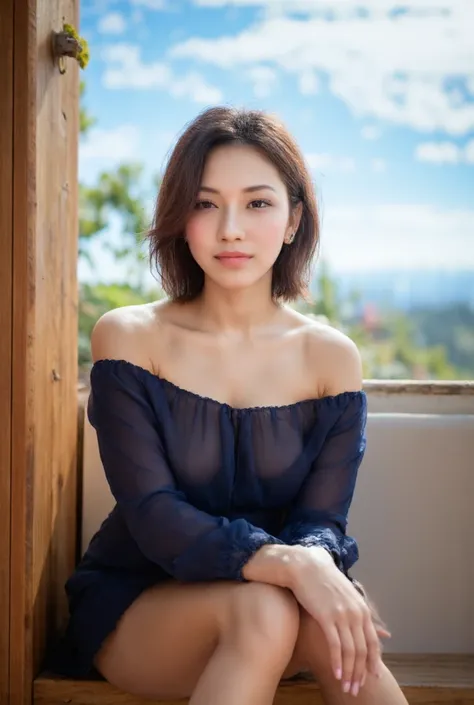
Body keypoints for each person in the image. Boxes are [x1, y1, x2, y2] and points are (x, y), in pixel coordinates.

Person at [50, 106, 409, 705]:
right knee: (267, 610)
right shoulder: (129, 338)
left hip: (279, 604)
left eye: (258, 203)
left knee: (324, 620)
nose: (231, 229)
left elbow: (321, 523)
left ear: (294, 220)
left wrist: (313, 562)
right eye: (206, 203)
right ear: (179, 217)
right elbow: (154, 516)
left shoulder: (331, 358)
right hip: (138, 605)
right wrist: (294, 566)